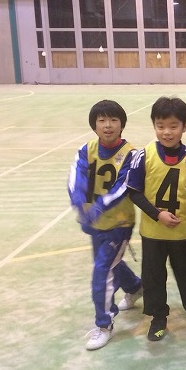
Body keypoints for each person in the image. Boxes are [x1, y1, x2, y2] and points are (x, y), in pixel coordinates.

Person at [127, 96, 186, 341]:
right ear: (154, 126)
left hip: (183, 233)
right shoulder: (144, 155)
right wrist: (157, 214)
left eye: (173, 126)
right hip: (153, 233)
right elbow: (134, 192)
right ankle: (158, 317)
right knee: (153, 277)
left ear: (184, 126)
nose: (167, 132)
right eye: (160, 126)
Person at [67, 100, 142, 350]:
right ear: (94, 125)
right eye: (102, 120)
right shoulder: (86, 150)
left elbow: (123, 187)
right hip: (95, 223)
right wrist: (79, 202)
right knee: (110, 263)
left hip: (119, 223)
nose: (107, 125)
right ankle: (135, 287)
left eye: (113, 120)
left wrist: (98, 207)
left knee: (101, 271)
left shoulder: (131, 154)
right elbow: (75, 178)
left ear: (122, 124)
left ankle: (104, 324)